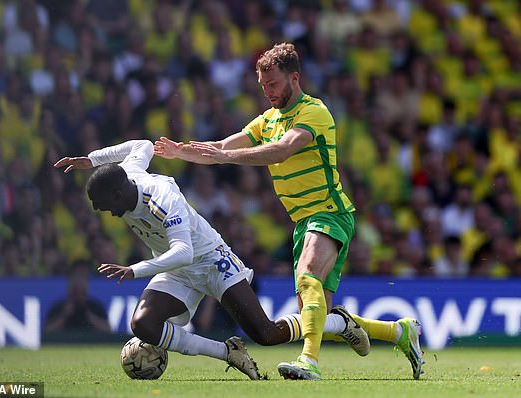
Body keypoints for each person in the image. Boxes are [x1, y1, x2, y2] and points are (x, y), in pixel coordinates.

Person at [154, 43, 424, 380]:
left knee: (307, 275)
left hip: (330, 212)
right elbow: (223, 146)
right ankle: (399, 332)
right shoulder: (268, 119)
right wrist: (183, 152)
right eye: (263, 85)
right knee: (316, 316)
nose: (268, 92)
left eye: (274, 84)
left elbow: (281, 151)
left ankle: (308, 363)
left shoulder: (315, 112)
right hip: (303, 222)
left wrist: (223, 157)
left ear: (294, 78)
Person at [54, 139, 370, 380]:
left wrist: (135, 271)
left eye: (102, 204)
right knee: (143, 325)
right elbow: (143, 145)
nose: (103, 211)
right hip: (176, 271)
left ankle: (339, 322)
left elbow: (185, 252)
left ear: (118, 194)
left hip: (209, 261)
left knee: (266, 334)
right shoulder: (128, 174)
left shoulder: (162, 199)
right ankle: (227, 352)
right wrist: (91, 160)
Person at [45, 261, 111, 333]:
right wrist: (64, 315)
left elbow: (108, 329)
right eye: (75, 292)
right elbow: (47, 330)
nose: (79, 297)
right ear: (70, 292)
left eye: (81, 293)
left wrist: (89, 316)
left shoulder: (94, 307)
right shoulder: (59, 307)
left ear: (86, 292)